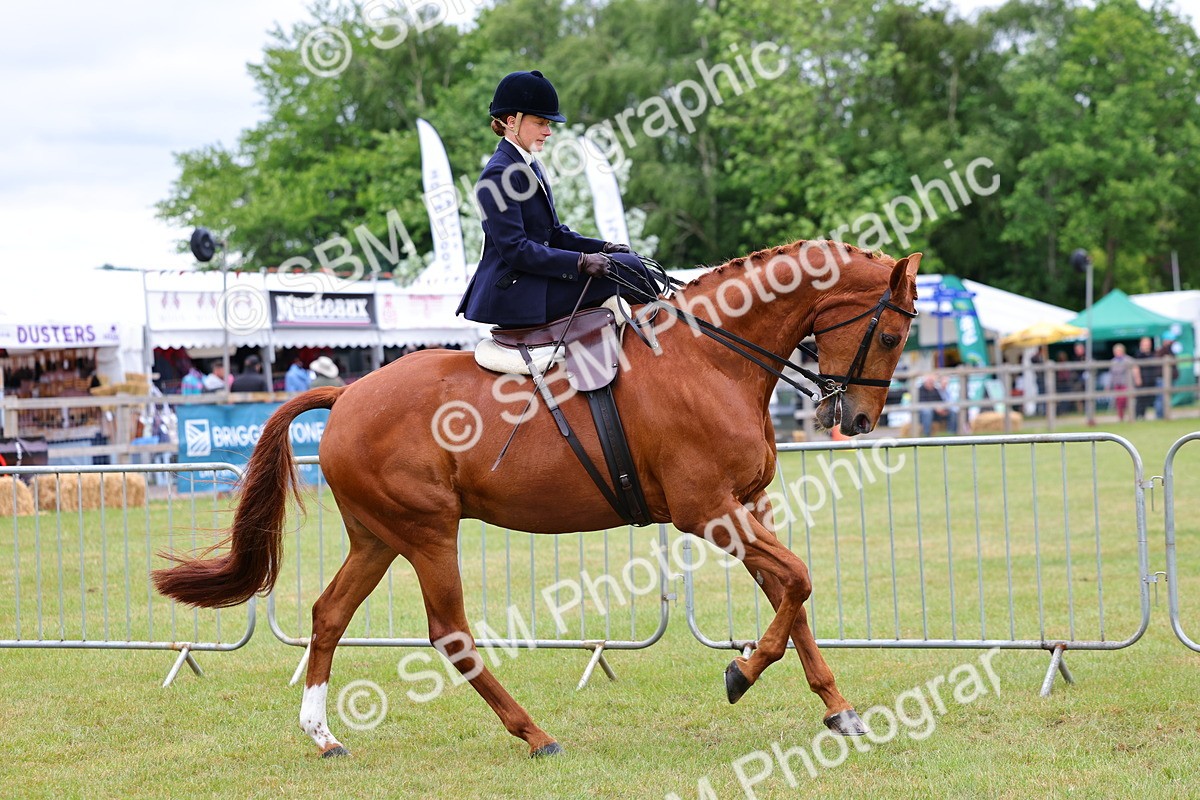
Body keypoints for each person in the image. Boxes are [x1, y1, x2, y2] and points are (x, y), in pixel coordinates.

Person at [456, 69, 656, 328]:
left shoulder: (530, 165)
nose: (548, 131)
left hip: (535, 279)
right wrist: (580, 262)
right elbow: (515, 250)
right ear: (512, 122)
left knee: (632, 264)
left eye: (548, 124)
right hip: (515, 290)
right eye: (540, 123)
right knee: (629, 272)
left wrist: (603, 247)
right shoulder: (498, 174)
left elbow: (555, 234)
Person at [1107, 343, 1140, 422]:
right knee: (1119, 403)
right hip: (1117, 385)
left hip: (1126, 384)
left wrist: (1137, 379)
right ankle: (1121, 418)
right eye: (1116, 351)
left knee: (1127, 401)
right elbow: (1111, 374)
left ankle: (1131, 417)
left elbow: (1135, 368)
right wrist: (1109, 385)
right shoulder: (1113, 361)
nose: (1117, 353)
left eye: (1119, 351)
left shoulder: (1128, 359)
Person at [1134, 336, 1159, 419]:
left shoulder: (1152, 354)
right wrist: (1138, 378)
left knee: (1151, 399)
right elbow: (1135, 367)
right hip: (1143, 380)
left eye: (1148, 343)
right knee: (1141, 400)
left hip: (1151, 379)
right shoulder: (1139, 354)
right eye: (1145, 344)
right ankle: (1139, 416)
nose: (1147, 345)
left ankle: (1154, 415)